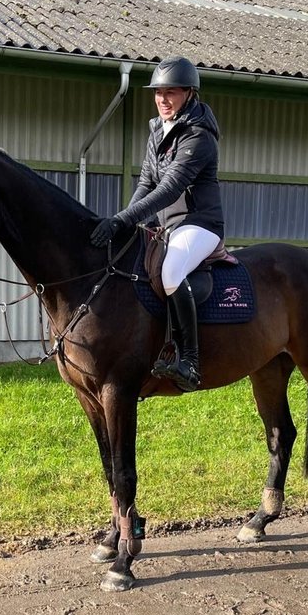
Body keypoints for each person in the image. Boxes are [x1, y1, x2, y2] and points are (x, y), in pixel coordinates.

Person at [90, 55, 225, 392]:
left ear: (190, 94)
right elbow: (146, 184)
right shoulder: (157, 132)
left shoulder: (199, 136)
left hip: (199, 224)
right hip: (166, 227)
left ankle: (190, 361)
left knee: (170, 272)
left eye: (172, 93)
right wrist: (126, 223)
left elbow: (169, 189)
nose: (163, 99)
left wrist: (122, 220)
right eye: (158, 93)